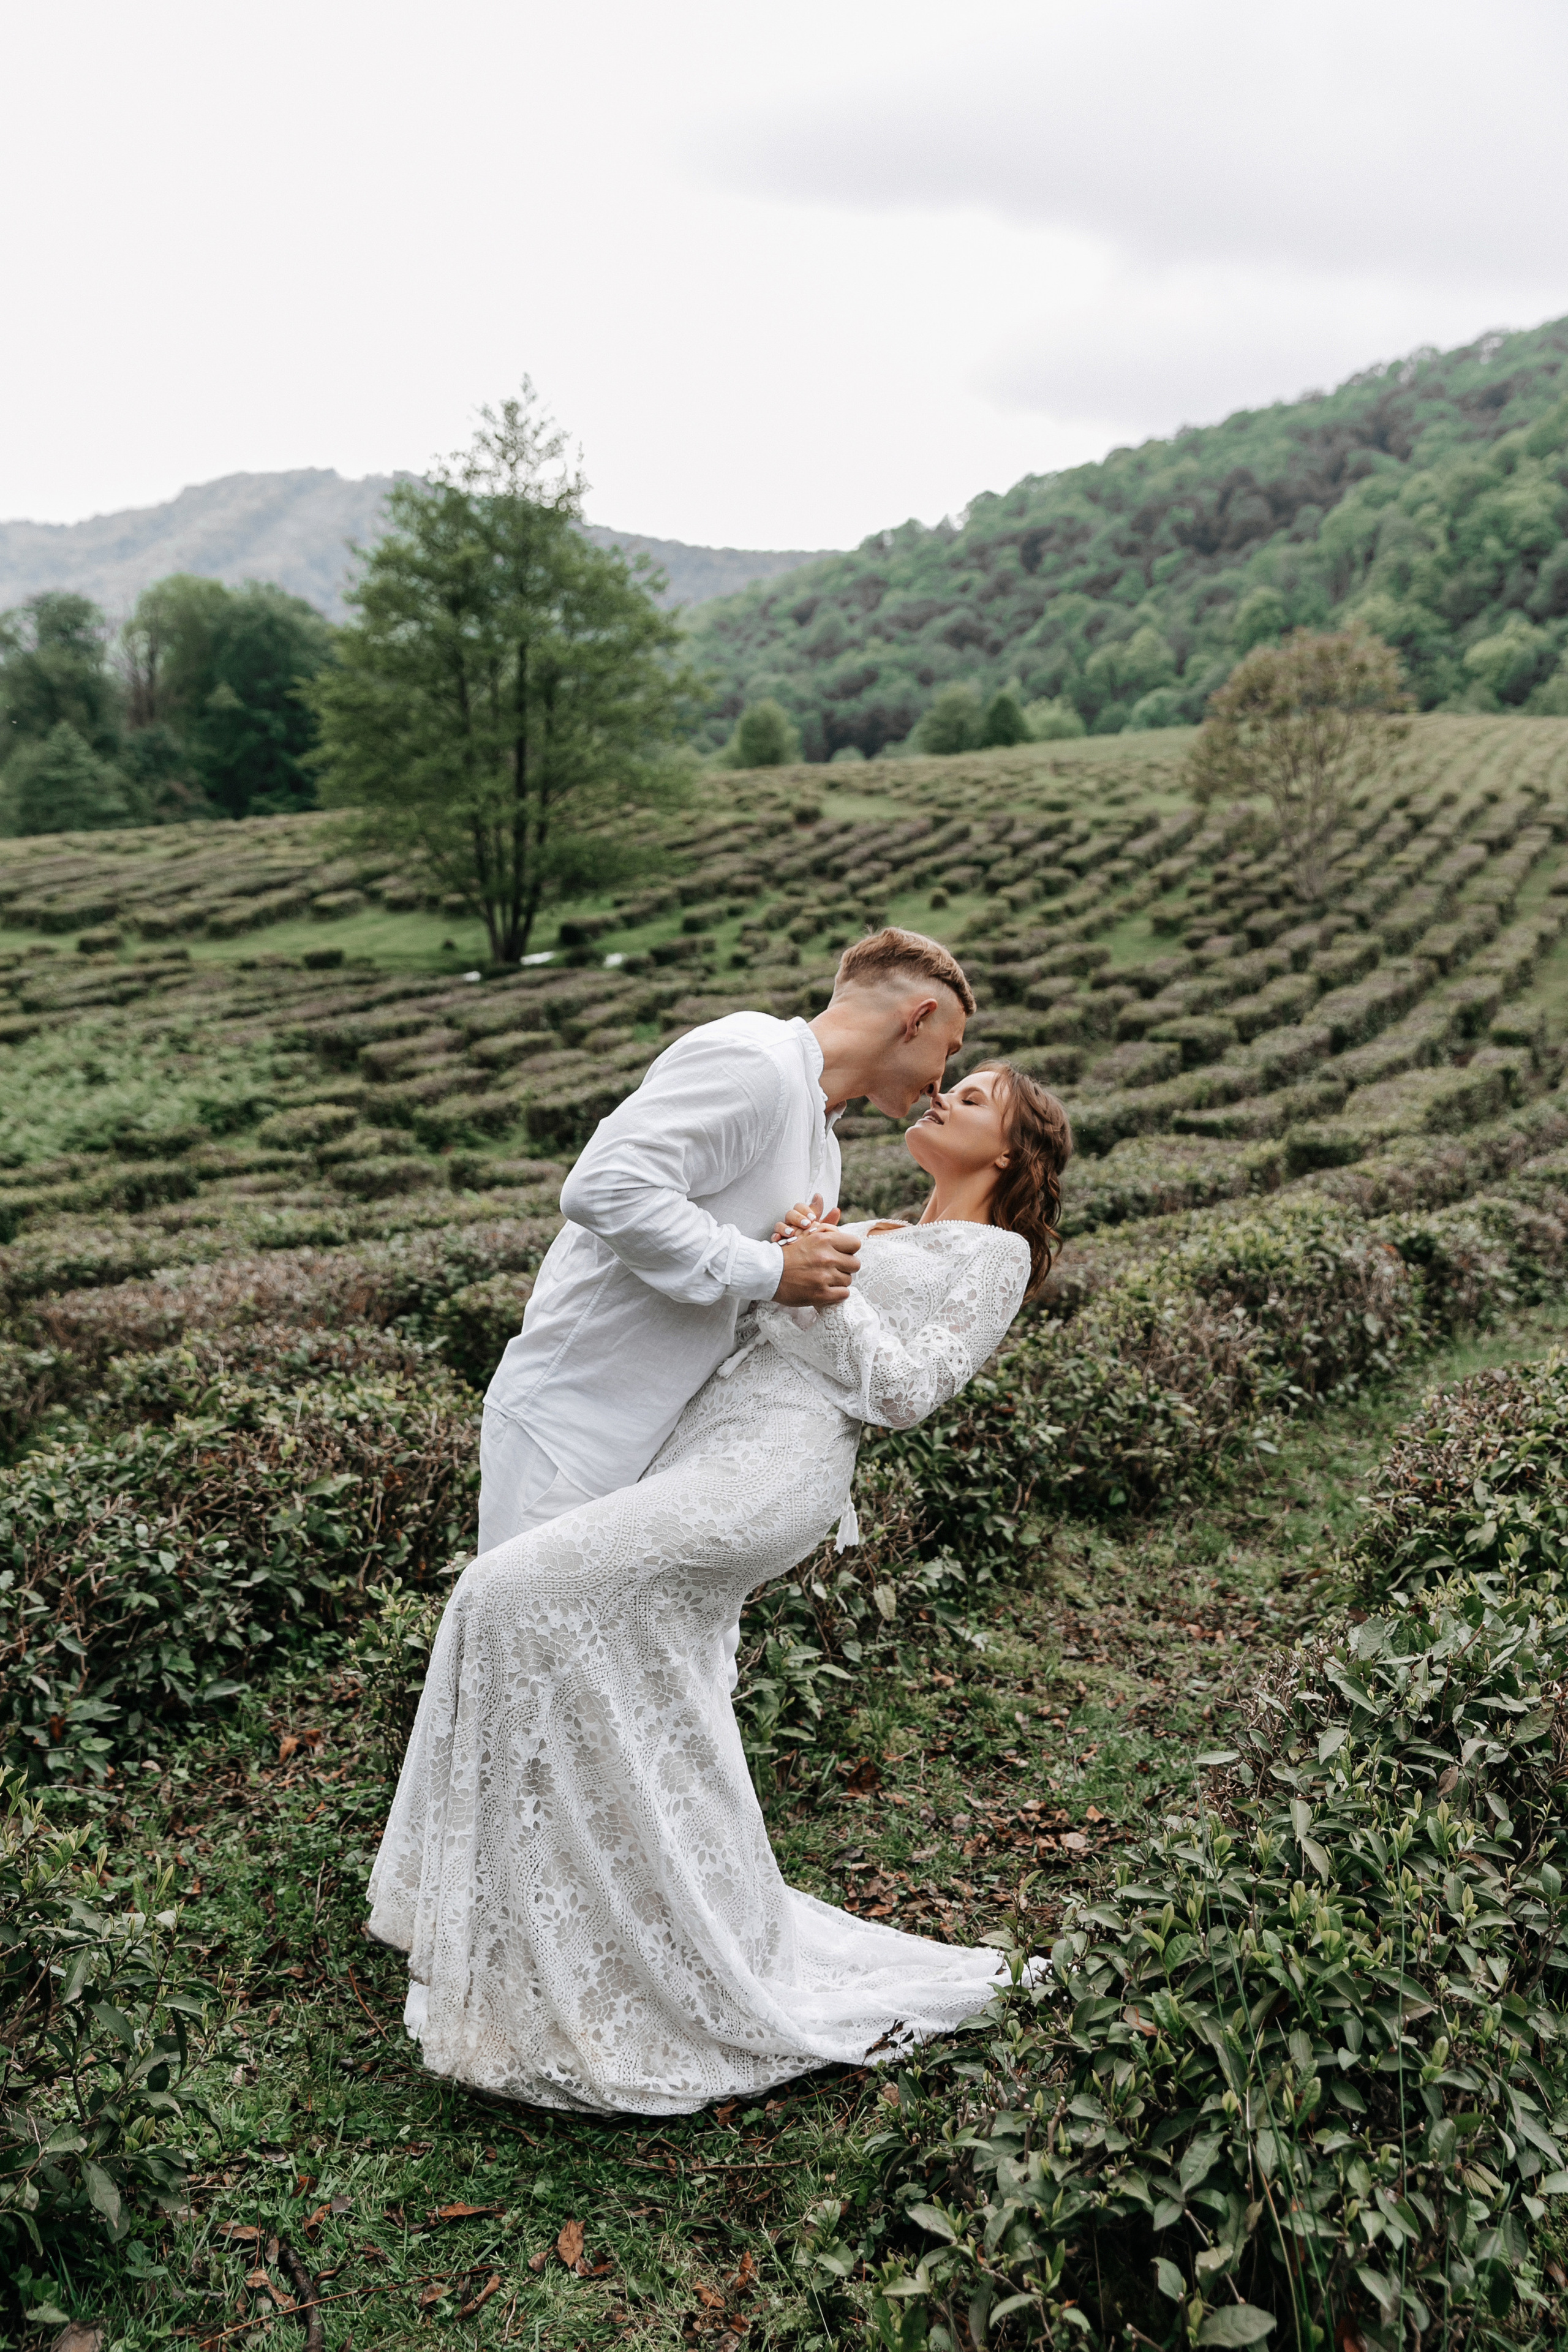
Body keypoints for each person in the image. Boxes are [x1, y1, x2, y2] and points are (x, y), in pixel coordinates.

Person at [367, 1060, 1072, 2116]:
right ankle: (594, 1935)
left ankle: (585, 1938)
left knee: (508, 1591)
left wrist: (820, 1282)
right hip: (705, 1448)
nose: (942, 1097)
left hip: (772, 1473)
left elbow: (908, 1391)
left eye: (972, 1099)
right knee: (648, 1682)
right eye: (951, 1083)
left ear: (1012, 1151)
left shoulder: (992, 1253)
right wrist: (790, 1262)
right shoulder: (870, 1226)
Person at [476, 925, 975, 1556]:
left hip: (663, 1444)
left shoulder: (823, 1148)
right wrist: (773, 1269)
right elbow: (605, 1187)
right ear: (918, 1018)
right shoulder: (756, 1060)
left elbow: (745, 1285)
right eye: (948, 1050)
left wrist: (797, 1267)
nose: (940, 1084)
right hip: (574, 1429)